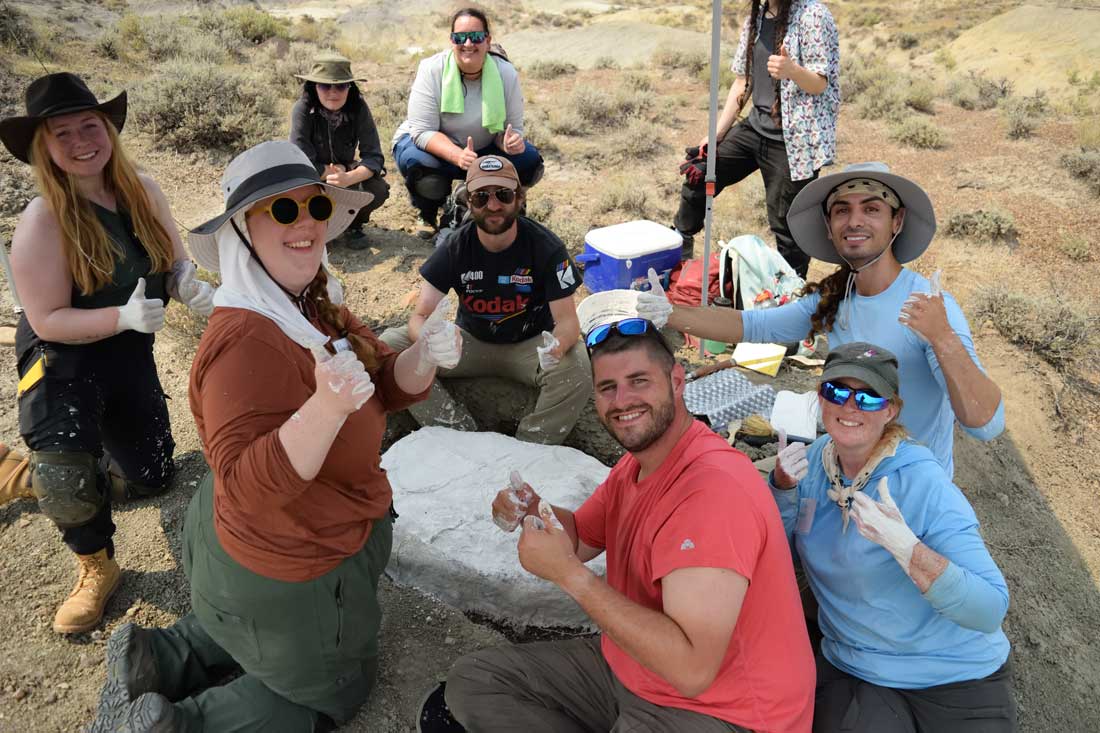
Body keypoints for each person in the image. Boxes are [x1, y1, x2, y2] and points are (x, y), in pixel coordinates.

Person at [87, 141, 461, 732]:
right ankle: (179, 726)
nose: (306, 223)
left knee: (246, 625)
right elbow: (249, 486)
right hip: (290, 558)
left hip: (256, 556)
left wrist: (423, 355)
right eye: (282, 211)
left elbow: (383, 384)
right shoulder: (245, 341)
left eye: (314, 206)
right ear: (242, 233)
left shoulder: (310, 301)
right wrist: (326, 407)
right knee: (336, 693)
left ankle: (159, 658)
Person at [444, 318, 816, 732]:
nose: (622, 400)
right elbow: (583, 538)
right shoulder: (638, 464)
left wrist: (572, 578)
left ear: (677, 380)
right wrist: (534, 511)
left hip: (725, 710)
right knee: (477, 681)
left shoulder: (713, 493)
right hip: (635, 672)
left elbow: (693, 671)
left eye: (639, 381)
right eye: (608, 388)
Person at [0, 72, 214, 635]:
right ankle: (95, 561)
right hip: (62, 360)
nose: (79, 141)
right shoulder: (43, 219)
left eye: (88, 126)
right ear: (43, 147)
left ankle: (29, 477)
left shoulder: (140, 188)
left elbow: (172, 257)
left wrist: (189, 284)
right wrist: (119, 316)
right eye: (61, 133)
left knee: (153, 477)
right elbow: (47, 318)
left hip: (128, 354)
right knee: (70, 477)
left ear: (108, 129)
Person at [643, 162, 1003, 477]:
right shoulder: (838, 295)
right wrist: (671, 314)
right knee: (738, 486)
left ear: (897, 221)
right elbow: (750, 325)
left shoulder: (929, 308)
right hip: (843, 463)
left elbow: (986, 424)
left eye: (872, 209)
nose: (855, 220)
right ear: (829, 227)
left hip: (908, 485)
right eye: (842, 210)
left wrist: (944, 339)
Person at [769, 342, 1015, 732]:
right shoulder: (812, 463)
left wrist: (907, 549)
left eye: (868, 397)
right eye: (836, 391)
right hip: (861, 669)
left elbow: (989, 609)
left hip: (957, 673)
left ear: (891, 410)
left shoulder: (921, 481)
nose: (850, 407)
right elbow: (778, 560)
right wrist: (781, 489)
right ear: (820, 399)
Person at [380, 155, 589, 445]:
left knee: (576, 364)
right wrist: (432, 341)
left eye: (503, 195)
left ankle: (531, 447)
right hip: (469, 344)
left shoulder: (547, 247)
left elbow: (567, 321)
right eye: (481, 197)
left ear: (519, 197)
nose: (493, 206)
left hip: (529, 347)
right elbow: (421, 315)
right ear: (468, 201)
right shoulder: (455, 246)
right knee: (391, 346)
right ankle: (456, 432)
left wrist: (557, 346)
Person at [673, 0, 838, 273]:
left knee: (787, 226)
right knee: (701, 171)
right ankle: (680, 245)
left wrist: (792, 71)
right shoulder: (757, 17)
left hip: (794, 141)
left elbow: (820, 83)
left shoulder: (813, 15)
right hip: (755, 127)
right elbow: (742, 81)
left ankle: (790, 293)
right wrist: (717, 134)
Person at [392, 7, 543, 240]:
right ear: (452, 40)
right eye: (460, 37)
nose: (468, 43)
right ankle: (429, 212)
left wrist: (510, 142)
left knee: (529, 162)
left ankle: (496, 207)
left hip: (482, 147)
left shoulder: (505, 73)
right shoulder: (432, 69)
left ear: (488, 40)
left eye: (477, 36)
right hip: (436, 147)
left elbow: (511, 129)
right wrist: (457, 156)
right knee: (421, 168)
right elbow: (421, 131)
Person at [289, 52, 390, 249]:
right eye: (325, 86)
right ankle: (319, 227)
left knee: (377, 189)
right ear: (314, 86)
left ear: (349, 88)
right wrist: (336, 171)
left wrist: (349, 177)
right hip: (311, 180)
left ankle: (353, 225)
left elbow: (374, 156)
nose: (333, 92)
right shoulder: (302, 110)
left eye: (341, 86)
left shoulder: (358, 108)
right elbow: (300, 159)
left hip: (346, 180)